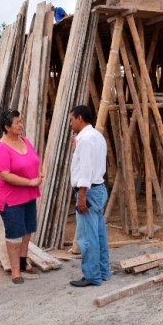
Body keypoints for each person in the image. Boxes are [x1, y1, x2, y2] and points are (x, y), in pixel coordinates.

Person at [0, 109, 44, 284]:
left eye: (20, 121)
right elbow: (4, 175)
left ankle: (23, 260)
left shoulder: (25, 141)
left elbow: (35, 159)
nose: (20, 125)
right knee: (14, 233)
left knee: (28, 228)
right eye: (17, 122)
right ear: (7, 127)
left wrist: (39, 173)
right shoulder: (1, 148)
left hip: (28, 194)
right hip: (11, 197)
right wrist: (29, 182)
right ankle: (15, 270)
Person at [68, 105, 110, 287]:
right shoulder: (96, 136)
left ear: (79, 119)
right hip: (99, 188)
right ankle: (103, 271)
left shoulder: (85, 140)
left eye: (71, 120)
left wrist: (82, 195)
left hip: (89, 191)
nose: (70, 123)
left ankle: (92, 275)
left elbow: (85, 169)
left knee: (87, 237)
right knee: (99, 234)